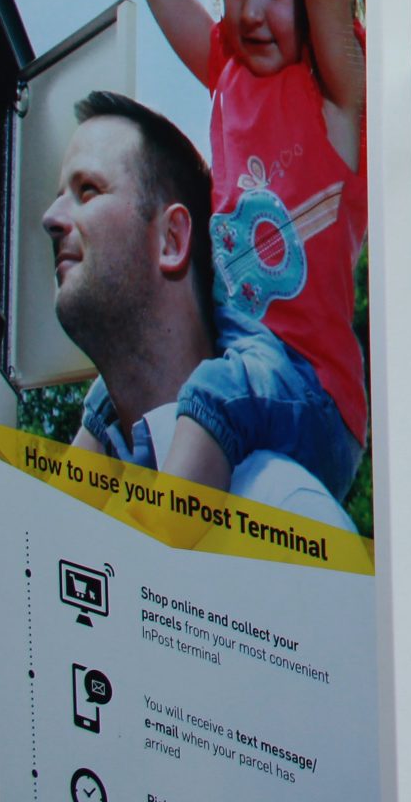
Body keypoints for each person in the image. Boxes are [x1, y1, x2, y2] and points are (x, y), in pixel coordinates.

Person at [136, 0, 368, 504]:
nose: (248, 9)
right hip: (235, 361)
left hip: (315, 397)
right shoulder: (229, 68)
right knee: (115, 399)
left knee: (211, 395)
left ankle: (170, 572)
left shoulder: (336, 91)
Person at [42, 91, 352, 528]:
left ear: (171, 239)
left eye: (88, 190)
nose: (50, 218)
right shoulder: (91, 504)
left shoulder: (286, 509)